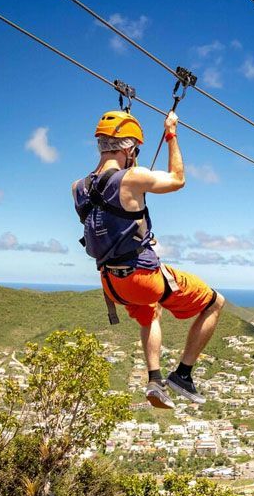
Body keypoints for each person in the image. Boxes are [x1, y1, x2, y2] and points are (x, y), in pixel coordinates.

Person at [72, 108, 225, 408]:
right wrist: (171, 133)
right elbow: (177, 179)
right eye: (136, 150)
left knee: (150, 312)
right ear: (129, 148)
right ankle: (183, 374)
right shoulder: (133, 177)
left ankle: (154, 379)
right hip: (141, 277)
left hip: (111, 284)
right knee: (215, 302)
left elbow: (110, 218)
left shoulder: (78, 188)